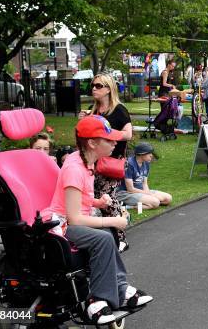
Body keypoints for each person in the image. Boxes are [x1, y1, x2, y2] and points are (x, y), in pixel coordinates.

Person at [41, 116, 152, 324]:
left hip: (69, 219)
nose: (114, 143)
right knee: (104, 236)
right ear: (92, 143)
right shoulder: (75, 168)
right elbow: (73, 218)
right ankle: (97, 299)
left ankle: (119, 289)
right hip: (61, 225)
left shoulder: (87, 161)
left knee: (107, 234)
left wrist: (97, 203)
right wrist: (111, 221)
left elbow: (78, 198)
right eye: (108, 140)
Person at [79, 73, 132, 251]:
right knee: (93, 197)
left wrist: (107, 132)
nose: (94, 88)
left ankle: (121, 238)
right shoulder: (92, 110)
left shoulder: (119, 110)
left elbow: (128, 134)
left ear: (109, 89)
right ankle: (101, 236)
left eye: (99, 86)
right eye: (93, 85)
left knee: (107, 196)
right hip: (94, 161)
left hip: (112, 162)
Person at [117, 143, 172, 210]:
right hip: (126, 193)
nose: (151, 156)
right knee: (156, 202)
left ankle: (146, 202)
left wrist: (148, 193)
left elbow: (144, 183)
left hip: (141, 191)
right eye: (149, 153)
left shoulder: (146, 163)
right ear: (141, 154)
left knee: (168, 199)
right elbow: (130, 189)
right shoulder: (129, 164)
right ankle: (129, 206)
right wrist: (149, 195)